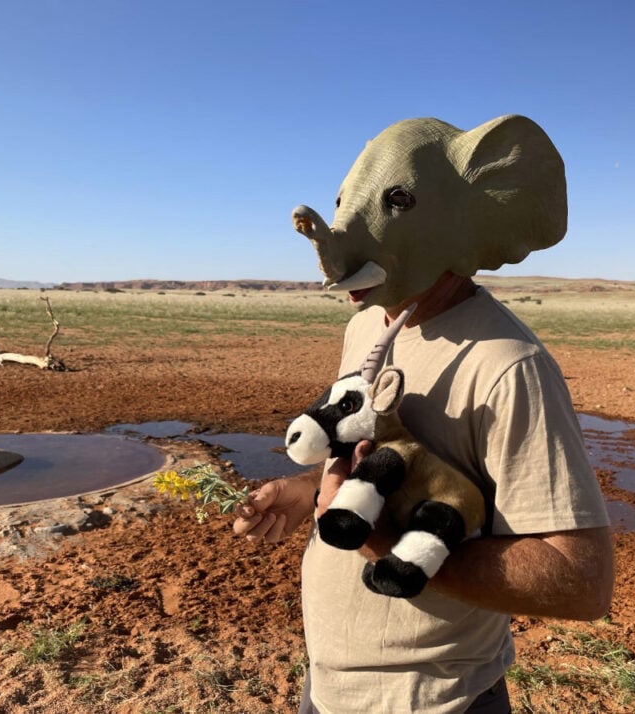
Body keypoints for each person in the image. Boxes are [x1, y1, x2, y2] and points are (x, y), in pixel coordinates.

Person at [233, 115, 614, 713]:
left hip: (434, 699)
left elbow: (580, 580)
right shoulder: (368, 324)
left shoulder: (509, 365)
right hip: (329, 687)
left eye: (398, 203)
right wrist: (307, 490)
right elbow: (378, 454)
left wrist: (381, 541)